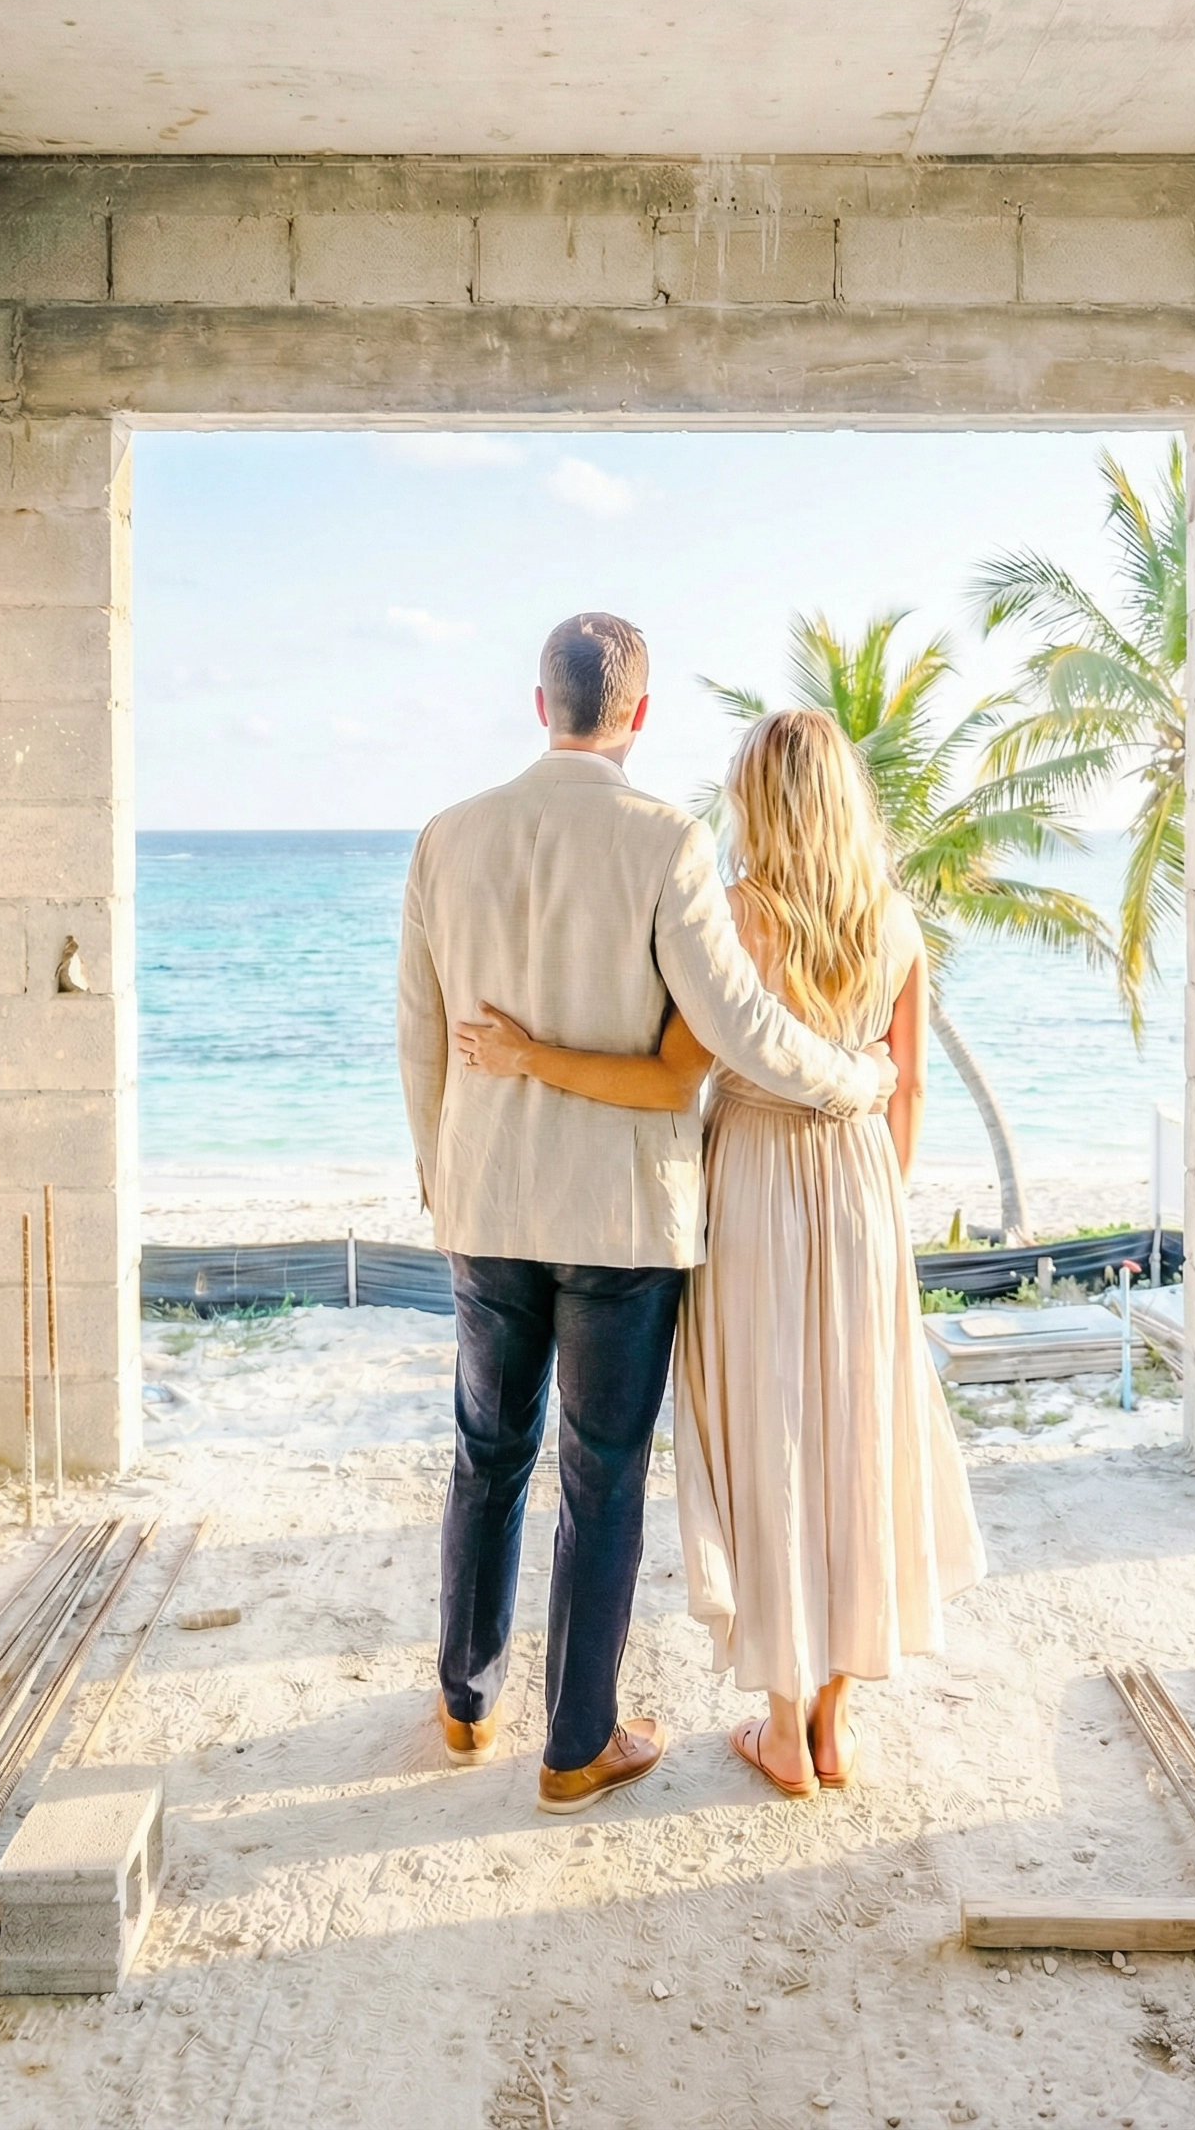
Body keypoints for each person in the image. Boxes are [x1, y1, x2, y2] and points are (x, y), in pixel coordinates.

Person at [397, 617, 897, 1817]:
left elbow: (417, 1031)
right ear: (640, 714)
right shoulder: (665, 840)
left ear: (539, 705)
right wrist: (856, 1082)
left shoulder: (445, 837)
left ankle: (467, 1706)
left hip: (487, 1201)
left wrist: (440, 1167)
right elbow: (735, 1027)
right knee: (601, 1475)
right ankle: (577, 1745)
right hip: (621, 1219)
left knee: (486, 1451)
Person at [456, 707, 985, 1798]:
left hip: (753, 1186)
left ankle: (782, 1723)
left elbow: (672, 1077)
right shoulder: (894, 919)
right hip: (858, 1192)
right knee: (853, 1432)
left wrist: (524, 1056)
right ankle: (832, 1722)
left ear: (758, 802)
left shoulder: (738, 916)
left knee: (769, 1436)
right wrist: (876, 1211)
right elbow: (909, 1085)